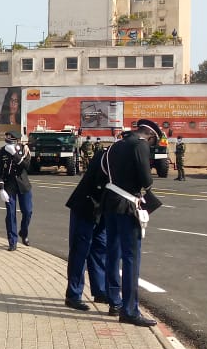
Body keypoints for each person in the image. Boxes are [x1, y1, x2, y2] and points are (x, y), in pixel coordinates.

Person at [102, 119, 161, 327]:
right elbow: (146, 180)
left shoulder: (116, 145)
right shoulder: (140, 145)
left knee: (112, 252)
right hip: (127, 204)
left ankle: (113, 302)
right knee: (131, 258)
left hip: (110, 200)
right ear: (151, 135)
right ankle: (129, 310)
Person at [63, 151, 115, 313]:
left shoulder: (119, 156)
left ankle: (100, 291)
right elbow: (102, 182)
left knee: (100, 249)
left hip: (103, 210)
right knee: (80, 251)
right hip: (86, 206)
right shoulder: (106, 156)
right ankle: (73, 295)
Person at [0, 130, 32, 251]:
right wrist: (1, 189)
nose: (8, 142)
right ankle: (12, 241)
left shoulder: (23, 149)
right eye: (7, 139)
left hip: (23, 184)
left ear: (16, 140)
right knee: (10, 213)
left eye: (10, 140)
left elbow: (27, 167)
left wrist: (16, 155)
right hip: (9, 185)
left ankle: (24, 232)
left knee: (27, 211)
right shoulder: (1, 152)